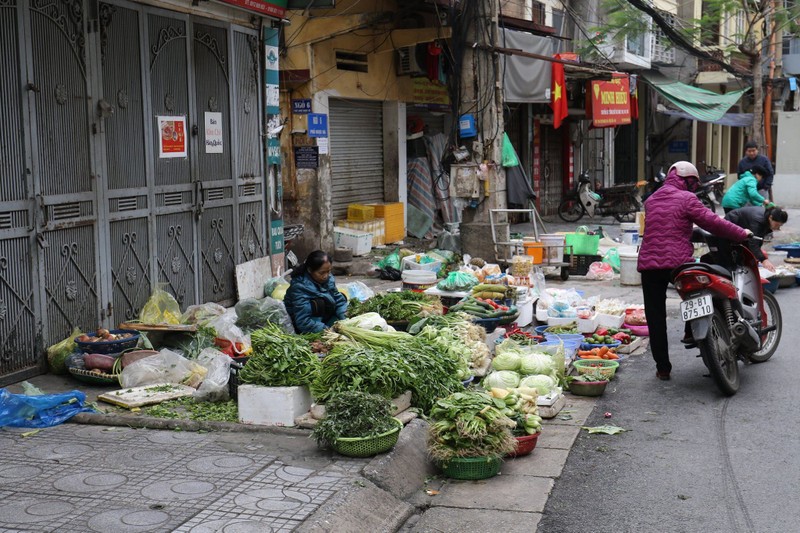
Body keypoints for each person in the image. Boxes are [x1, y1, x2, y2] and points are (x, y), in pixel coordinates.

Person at [638, 161, 751, 381]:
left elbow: (667, 223)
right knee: (700, 291)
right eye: (693, 184)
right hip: (677, 263)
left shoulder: (651, 200)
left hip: (649, 265)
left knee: (655, 317)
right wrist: (741, 233)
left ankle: (663, 368)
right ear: (688, 181)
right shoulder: (687, 199)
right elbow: (714, 223)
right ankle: (693, 332)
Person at [284, 250, 348, 333]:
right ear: (310, 270)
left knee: (342, 299)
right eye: (321, 273)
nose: (326, 276)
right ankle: (319, 328)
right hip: (303, 325)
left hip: (323, 318)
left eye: (328, 271)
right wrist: (327, 331)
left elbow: (339, 300)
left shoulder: (329, 279)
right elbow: (303, 321)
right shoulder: (299, 287)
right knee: (319, 303)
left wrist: (346, 319)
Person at [725, 205, 788, 273]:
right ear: (770, 218)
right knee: (729, 260)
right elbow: (753, 243)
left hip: (744, 231)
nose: (777, 228)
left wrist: (759, 255)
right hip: (731, 224)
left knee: (744, 258)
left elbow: (759, 239)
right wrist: (763, 260)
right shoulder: (758, 220)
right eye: (776, 225)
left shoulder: (767, 218)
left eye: (780, 225)